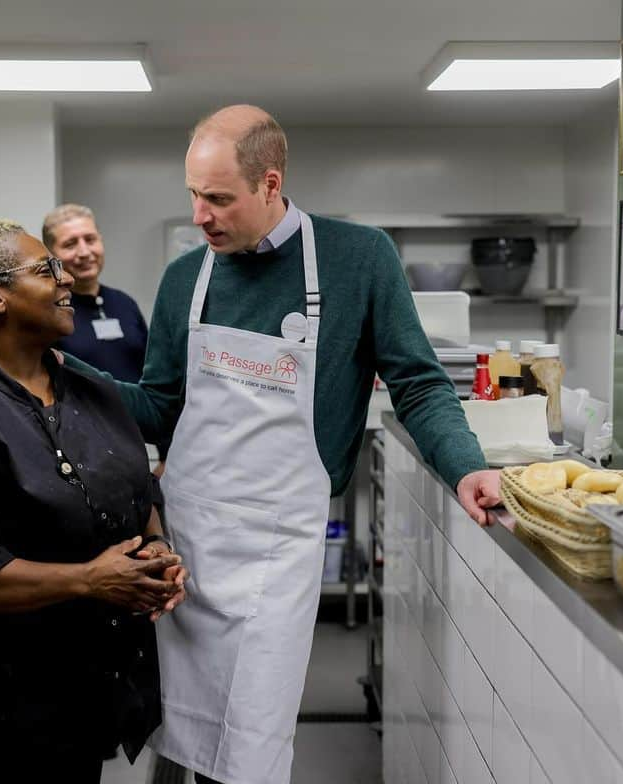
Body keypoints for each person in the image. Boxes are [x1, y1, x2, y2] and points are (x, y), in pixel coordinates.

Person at [67, 105, 501, 784]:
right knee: (175, 735)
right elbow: (158, 409)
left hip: (275, 551)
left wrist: (467, 466)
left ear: (270, 184)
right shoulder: (188, 279)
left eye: (218, 199)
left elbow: (417, 384)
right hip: (190, 545)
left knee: (250, 739)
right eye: (192, 195)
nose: (200, 215)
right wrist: (63, 377)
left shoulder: (359, 260)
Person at [0, 219, 188, 783]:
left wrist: (154, 549)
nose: (66, 280)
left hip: (87, 683)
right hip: (3, 705)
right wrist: (90, 580)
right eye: (46, 269)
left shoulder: (93, 392)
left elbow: (137, 492)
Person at [43, 203, 170, 467]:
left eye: (90, 239)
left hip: (138, 449)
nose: (84, 252)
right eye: (70, 244)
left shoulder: (124, 304)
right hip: (80, 453)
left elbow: (155, 381)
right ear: (51, 254)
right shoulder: (48, 312)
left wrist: (166, 456)